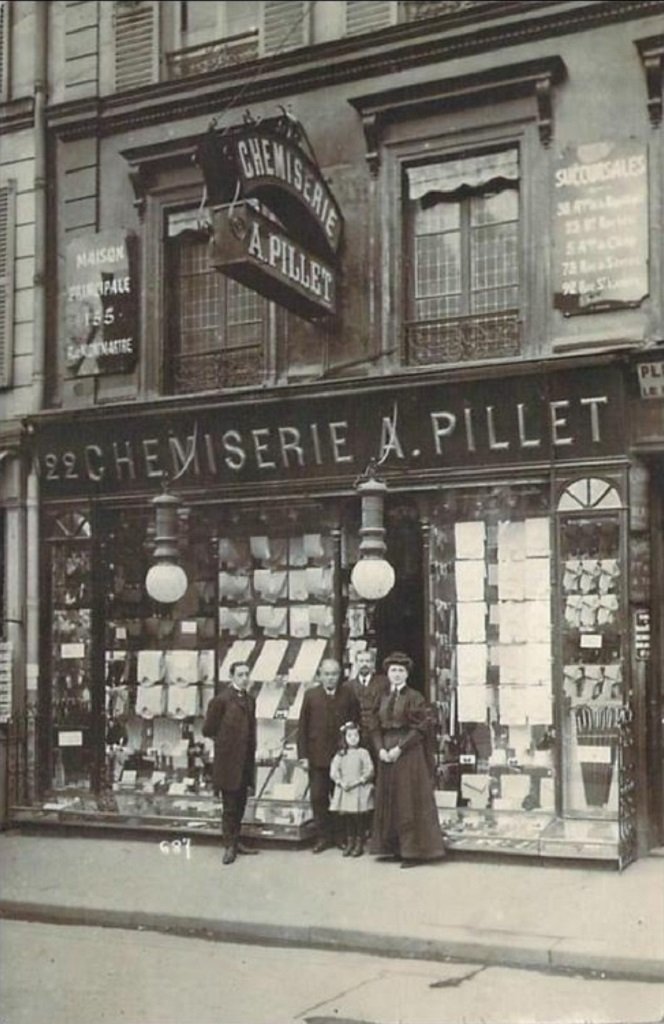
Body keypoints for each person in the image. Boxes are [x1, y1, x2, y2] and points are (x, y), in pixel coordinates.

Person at [369, 651, 446, 868]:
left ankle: (412, 852)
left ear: (407, 674)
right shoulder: (381, 696)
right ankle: (394, 848)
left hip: (409, 753)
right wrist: (380, 749)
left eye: (401, 671)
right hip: (386, 751)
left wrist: (399, 749)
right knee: (390, 799)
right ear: (387, 673)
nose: (396, 674)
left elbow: (420, 728)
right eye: (393, 670)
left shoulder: (414, 697)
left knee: (407, 800)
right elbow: (373, 725)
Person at [297, 658, 359, 853]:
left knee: (340, 797)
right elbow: (302, 727)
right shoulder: (311, 695)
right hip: (317, 757)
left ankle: (340, 837)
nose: (331, 678)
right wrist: (303, 756)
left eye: (334, 674)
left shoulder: (348, 694)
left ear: (339, 675)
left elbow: (356, 722)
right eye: (327, 674)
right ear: (320, 675)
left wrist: (352, 751)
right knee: (318, 797)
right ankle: (323, 837)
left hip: (342, 757)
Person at [202, 661, 259, 865]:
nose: (244, 678)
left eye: (247, 674)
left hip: (245, 761)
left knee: (241, 802)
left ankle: (236, 840)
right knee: (230, 806)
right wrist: (227, 743)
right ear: (232, 676)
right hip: (228, 761)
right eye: (240, 675)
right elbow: (208, 729)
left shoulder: (250, 700)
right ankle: (229, 846)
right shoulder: (221, 700)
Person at [330, 721, 374, 858]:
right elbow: (334, 770)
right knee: (348, 817)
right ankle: (350, 841)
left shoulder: (363, 753)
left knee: (358, 818)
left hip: (358, 789)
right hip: (346, 789)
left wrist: (359, 780)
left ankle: (359, 843)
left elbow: (369, 769)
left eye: (356, 735)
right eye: (349, 736)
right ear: (344, 738)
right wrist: (340, 782)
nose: (353, 738)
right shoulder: (341, 754)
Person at [348, 649, 389, 759]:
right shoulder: (348, 686)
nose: (364, 664)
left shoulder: (384, 683)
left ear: (373, 663)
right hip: (357, 736)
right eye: (361, 661)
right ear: (356, 663)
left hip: (380, 735)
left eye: (367, 661)